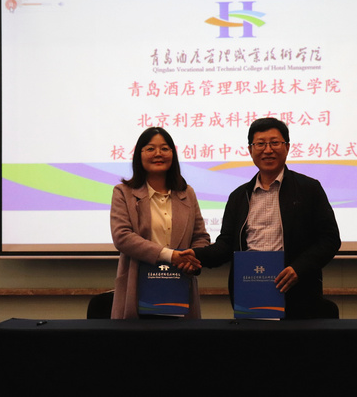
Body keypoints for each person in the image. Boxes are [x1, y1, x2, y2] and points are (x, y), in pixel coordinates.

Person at [185, 118, 341, 319]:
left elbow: (329, 240)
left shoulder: (309, 189)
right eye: (260, 144)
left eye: (275, 143)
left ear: (287, 147)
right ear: (250, 150)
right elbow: (226, 245)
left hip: (298, 293)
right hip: (250, 294)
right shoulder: (239, 196)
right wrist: (195, 256)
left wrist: (298, 269)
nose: (268, 150)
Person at [110, 127, 210, 319]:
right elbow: (122, 237)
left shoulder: (187, 193)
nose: (158, 154)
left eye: (164, 148)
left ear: (172, 154)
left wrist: (193, 260)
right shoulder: (123, 192)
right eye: (150, 149)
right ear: (139, 155)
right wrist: (171, 256)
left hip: (179, 285)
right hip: (137, 286)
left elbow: (200, 237)